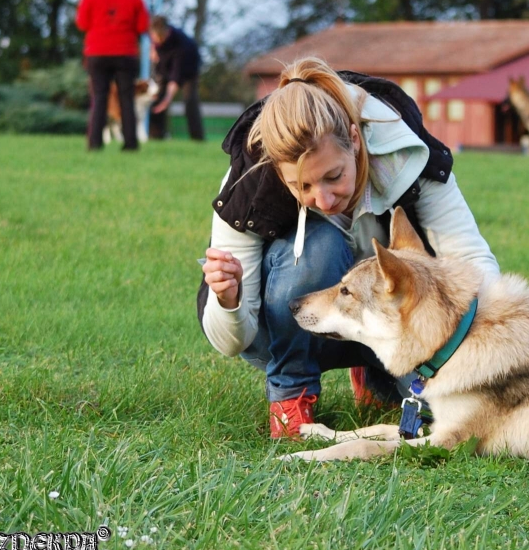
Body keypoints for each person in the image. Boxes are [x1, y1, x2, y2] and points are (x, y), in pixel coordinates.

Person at [197, 57, 499, 439]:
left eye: (334, 176)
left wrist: (489, 345)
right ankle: (291, 392)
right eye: (302, 187)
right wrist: (228, 298)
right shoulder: (250, 182)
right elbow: (231, 343)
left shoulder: (408, 153)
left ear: (355, 141)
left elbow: (471, 261)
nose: (322, 199)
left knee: (435, 420)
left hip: (402, 325)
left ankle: (379, 378)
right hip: (281, 326)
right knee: (318, 246)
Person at [76, 0, 150, 151]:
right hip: (125, 54)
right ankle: (130, 144)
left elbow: (82, 23)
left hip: (97, 53)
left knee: (99, 96)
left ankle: (94, 143)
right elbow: (143, 26)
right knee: (126, 98)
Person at [148, 16, 204, 141]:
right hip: (165, 69)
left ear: (166, 33)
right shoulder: (155, 39)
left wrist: (167, 100)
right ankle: (156, 136)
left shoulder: (181, 45)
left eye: (158, 38)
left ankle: (197, 138)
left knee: (190, 101)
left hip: (188, 71)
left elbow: (175, 77)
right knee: (156, 98)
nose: (155, 40)